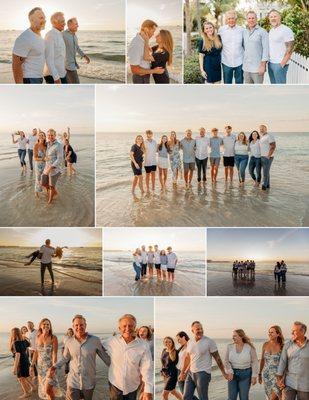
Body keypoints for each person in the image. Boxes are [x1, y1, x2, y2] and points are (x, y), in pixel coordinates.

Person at [51, 314, 110, 400]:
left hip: (89, 382)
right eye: (76, 325)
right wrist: (54, 367)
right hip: (73, 382)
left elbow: (106, 358)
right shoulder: (69, 341)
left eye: (81, 325)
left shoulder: (95, 340)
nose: (79, 327)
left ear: (85, 325)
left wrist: (119, 367)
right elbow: (65, 358)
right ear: (73, 326)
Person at [103, 314, 153, 400]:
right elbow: (96, 346)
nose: (127, 328)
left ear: (135, 327)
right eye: (124, 326)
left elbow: (147, 368)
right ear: (119, 328)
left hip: (132, 386)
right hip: (115, 385)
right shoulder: (111, 341)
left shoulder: (143, 345)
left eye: (130, 326)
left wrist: (148, 390)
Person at [179, 321, 228, 400]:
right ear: (192, 331)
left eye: (201, 328)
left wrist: (224, 373)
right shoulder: (190, 342)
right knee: (186, 397)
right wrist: (182, 373)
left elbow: (217, 358)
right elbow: (187, 358)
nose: (200, 331)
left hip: (203, 373)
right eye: (198, 329)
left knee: (203, 397)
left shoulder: (209, 341)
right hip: (191, 373)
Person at [276, 321, 309, 400]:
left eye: (294, 331)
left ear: (302, 331)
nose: (291, 333)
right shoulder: (287, 345)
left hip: (305, 385)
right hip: (289, 383)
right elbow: (282, 362)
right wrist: (279, 379)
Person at [12, 7, 46, 84]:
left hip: (39, 78)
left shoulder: (40, 36)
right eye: (41, 18)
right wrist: (20, 87)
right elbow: (16, 65)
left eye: (44, 18)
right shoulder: (25, 38)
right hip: (29, 80)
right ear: (31, 20)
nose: (44, 20)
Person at [31, 318, 62, 399]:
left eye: (48, 324)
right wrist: (32, 365)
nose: (46, 326)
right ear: (41, 326)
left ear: (50, 326)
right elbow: (36, 352)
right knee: (44, 390)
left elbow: (54, 353)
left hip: (49, 367)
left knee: (48, 389)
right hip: (40, 367)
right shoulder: (38, 337)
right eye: (44, 324)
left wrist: (53, 367)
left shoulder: (53, 338)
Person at [224, 329, 259, 400]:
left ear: (241, 336)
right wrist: (230, 371)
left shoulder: (249, 347)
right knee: (231, 398)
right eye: (233, 336)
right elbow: (226, 361)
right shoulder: (229, 346)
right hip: (232, 374)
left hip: (246, 375)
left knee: (244, 397)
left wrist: (254, 376)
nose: (233, 337)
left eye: (235, 336)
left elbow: (255, 362)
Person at [268, 10, 294, 84]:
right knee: (273, 88)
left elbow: (290, 49)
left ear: (280, 17)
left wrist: (281, 64)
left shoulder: (286, 30)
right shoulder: (271, 30)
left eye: (275, 16)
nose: (273, 18)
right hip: (271, 63)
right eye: (271, 17)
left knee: (281, 89)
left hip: (279, 64)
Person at [259, 325, 285, 400]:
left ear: (278, 334)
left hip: (277, 376)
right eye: (269, 332)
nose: (269, 334)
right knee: (270, 397)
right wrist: (259, 374)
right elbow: (262, 360)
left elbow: (285, 363)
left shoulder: (282, 346)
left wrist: (283, 377)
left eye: (272, 332)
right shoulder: (265, 344)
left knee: (273, 398)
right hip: (266, 375)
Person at [243, 11, 269, 84]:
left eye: (253, 18)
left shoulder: (262, 32)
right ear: (247, 20)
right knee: (248, 91)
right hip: (246, 68)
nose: (251, 20)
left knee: (258, 91)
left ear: (256, 19)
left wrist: (263, 66)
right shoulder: (244, 32)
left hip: (257, 68)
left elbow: (266, 50)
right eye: (249, 18)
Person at [219, 11, 244, 84]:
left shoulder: (242, 30)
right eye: (229, 18)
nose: (231, 20)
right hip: (226, 61)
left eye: (233, 18)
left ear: (236, 19)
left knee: (239, 83)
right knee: (227, 83)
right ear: (226, 20)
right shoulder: (221, 30)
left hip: (240, 61)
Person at [9, 327, 36, 399]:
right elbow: (30, 344)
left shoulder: (15, 342)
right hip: (26, 360)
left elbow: (17, 355)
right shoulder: (23, 341)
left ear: (13, 334)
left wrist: (14, 368)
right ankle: (33, 387)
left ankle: (26, 393)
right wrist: (25, 338)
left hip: (20, 362)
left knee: (20, 378)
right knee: (26, 376)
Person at [62, 18, 90, 84]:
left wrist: (85, 56)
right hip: (67, 66)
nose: (78, 26)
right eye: (76, 24)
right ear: (69, 25)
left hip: (72, 64)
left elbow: (77, 48)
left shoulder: (74, 36)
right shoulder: (63, 34)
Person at [44, 12, 67, 84]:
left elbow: (60, 56)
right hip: (53, 76)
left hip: (62, 74)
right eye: (62, 21)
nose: (65, 23)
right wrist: (56, 78)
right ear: (54, 22)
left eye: (64, 21)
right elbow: (49, 59)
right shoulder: (50, 35)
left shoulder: (60, 34)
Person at [41, 129, 63, 204]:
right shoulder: (47, 144)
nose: (50, 136)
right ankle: (55, 193)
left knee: (51, 186)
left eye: (52, 135)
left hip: (54, 169)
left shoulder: (58, 145)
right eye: (49, 135)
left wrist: (51, 168)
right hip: (46, 167)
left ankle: (50, 201)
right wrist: (44, 158)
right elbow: (40, 142)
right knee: (43, 183)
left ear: (55, 135)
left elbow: (60, 159)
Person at [176, 331, 198, 399]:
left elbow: (192, 361)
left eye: (179, 339)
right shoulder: (181, 348)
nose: (178, 341)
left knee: (186, 395)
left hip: (186, 372)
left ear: (184, 337)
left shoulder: (190, 346)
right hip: (179, 371)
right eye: (177, 340)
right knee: (185, 394)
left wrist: (184, 372)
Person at [259, 125, 276, 191]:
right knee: (266, 172)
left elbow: (273, 146)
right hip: (262, 156)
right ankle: (268, 185)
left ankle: (263, 187)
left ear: (266, 129)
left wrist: (268, 156)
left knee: (265, 173)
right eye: (260, 129)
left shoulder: (269, 136)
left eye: (263, 129)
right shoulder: (262, 137)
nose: (261, 130)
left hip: (268, 157)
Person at [34, 130, 47, 197]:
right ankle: (36, 192)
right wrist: (43, 159)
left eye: (42, 135)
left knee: (44, 179)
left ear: (45, 137)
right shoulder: (36, 145)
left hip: (45, 165)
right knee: (38, 179)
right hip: (38, 165)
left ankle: (43, 190)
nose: (41, 137)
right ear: (38, 137)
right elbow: (35, 158)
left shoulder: (46, 145)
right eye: (40, 136)